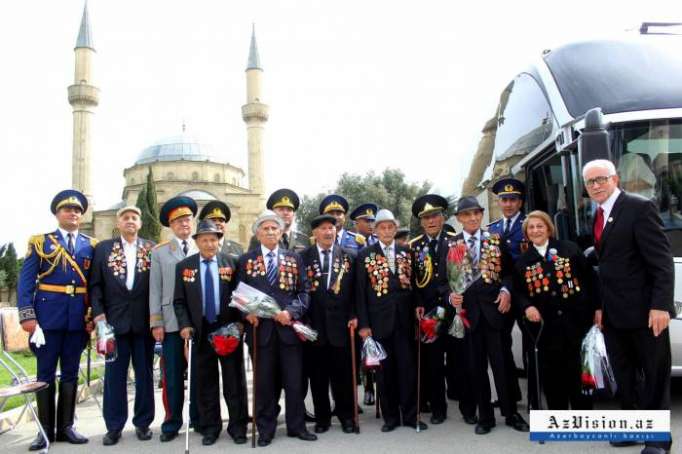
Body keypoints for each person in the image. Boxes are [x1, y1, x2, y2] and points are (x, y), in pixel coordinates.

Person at [584, 159, 674, 454]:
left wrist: (660, 306)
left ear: (615, 179)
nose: (596, 185)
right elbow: (605, 266)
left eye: (601, 179)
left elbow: (661, 262)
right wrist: (599, 307)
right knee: (624, 376)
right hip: (613, 313)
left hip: (646, 313)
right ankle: (633, 428)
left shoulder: (638, 207)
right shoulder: (596, 214)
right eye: (590, 182)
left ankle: (658, 440)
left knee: (654, 375)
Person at [17, 189, 95, 450]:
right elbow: (26, 283)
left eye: (77, 210)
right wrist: (28, 317)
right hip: (46, 320)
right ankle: (44, 430)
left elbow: (94, 285)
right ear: (57, 213)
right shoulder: (41, 242)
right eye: (67, 209)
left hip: (77, 321)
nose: (73, 213)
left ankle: (66, 427)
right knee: (45, 374)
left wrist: (92, 316)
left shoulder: (90, 245)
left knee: (71, 374)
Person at [449, 196, 528, 435]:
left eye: (476, 213)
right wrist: (449, 297)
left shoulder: (495, 239)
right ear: (460, 218)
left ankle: (511, 412)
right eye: (467, 214)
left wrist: (506, 290)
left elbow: (509, 274)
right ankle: (485, 416)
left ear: (481, 215)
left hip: (496, 312)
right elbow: (444, 282)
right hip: (469, 316)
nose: (473, 218)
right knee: (476, 367)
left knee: (502, 365)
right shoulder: (451, 245)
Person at [239, 210, 316, 446]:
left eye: (274, 228)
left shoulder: (294, 259)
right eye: (265, 228)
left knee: (294, 382)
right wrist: (246, 313)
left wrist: (290, 313)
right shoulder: (246, 260)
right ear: (258, 233)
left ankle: (296, 426)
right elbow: (239, 295)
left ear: (281, 232)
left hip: (288, 330)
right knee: (264, 384)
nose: (270, 232)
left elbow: (304, 292)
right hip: (261, 332)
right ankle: (266, 429)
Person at [173, 220, 249, 446]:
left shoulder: (232, 263)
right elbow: (178, 301)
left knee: (234, 381)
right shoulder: (184, 266)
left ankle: (238, 426)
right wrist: (184, 324)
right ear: (197, 242)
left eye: (213, 239)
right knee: (206, 382)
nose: (209, 244)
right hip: (199, 331)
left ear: (219, 241)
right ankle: (210, 427)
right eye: (204, 239)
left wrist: (241, 323)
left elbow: (241, 296)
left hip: (227, 330)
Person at [511, 210, 596, 410]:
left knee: (578, 373)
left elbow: (591, 281)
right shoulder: (524, 262)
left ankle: (584, 416)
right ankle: (558, 416)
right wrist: (527, 306)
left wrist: (598, 310)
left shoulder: (569, 250)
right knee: (552, 375)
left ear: (549, 228)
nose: (535, 230)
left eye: (540, 226)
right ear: (526, 233)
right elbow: (518, 293)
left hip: (576, 324)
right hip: (546, 329)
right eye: (531, 227)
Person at [89, 206, 156, 445]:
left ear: (140, 223)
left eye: (134, 217)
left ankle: (143, 423)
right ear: (118, 223)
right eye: (125, 217)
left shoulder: (150, 248)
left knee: (145, 374)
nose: (130, 221)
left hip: (143, 323)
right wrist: (98, 315)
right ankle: (114, 426)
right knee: (114, 376)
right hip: (112, 324)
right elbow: (95, 285)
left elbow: (156, 286)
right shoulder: (104, 248)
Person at [356, 209, 427, 432]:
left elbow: (415, 285)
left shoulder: (408, 251)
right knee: (385, 373)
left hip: (405, 321)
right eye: (382, 227)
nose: (386, 231)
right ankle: (390, 418)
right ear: (375, 230)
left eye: (390, 227)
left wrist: (418, 305)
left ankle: (410, 415)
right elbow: (360, 293)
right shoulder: (365, 255)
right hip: (379, 323)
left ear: (396, 229)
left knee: (407, 370)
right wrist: (365, 325)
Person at [411, 194, 475, 425]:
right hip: (430, 313)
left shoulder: (455, 242)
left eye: (435, 216)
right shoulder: (413, 247)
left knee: (461, 362)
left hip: (454, 312)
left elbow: (465, 276)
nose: (431, 221)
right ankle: (438, 409)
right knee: (433, 364)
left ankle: (468, 408)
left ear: (443, 217)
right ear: (421, 222)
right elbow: (412, 282)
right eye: (426, 218)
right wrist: (418, 303)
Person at [148, 196, 199, 442]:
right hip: (170, 322)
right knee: (173, 375)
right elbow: (155, 288)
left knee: (201, 373)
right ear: (170, 225)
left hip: (199, 321)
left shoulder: (203, 246)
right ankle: (172, 422)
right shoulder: (159, 253)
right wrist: (156, 321)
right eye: (178, 220)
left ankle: (200, 418)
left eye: (187, 219)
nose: (184, 224)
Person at [301, 214, 357, 434]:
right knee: (318, 376)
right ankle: (322, 418)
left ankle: (346, 417)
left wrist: (354, 314)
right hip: (313, 327)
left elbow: (355, 292)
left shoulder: (349, 257)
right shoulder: (303, 257)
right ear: (314, 233)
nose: (327, 232)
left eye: (331, 228)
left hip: (341, 326)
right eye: (323, 228)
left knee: (342, 375)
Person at [488, 177, 526, 408]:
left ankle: (536, 398)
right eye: (504, 200)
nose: (508, 204)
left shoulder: (531, 224)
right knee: (502, 346)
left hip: (527, 293)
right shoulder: (492, 229)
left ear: (520, 202)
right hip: (501, 293)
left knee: (532, 347)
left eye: (513, 199)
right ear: (499, 202)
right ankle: (510, 395)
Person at [249, 188, 308, 253]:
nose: (286, 213)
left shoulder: (303, 239)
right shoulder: (259, 238)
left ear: (294, 214)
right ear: (272, 213)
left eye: (289, 210)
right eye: (281, 209)